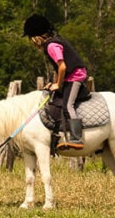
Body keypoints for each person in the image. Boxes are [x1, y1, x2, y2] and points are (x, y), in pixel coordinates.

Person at [23, 14, 89, 150]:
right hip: (70, 76)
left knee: (68, 105)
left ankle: (77, 138)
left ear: (35, 37)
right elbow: (59, 69)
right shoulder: (54, 41)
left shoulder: (51, 46)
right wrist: (53, 83)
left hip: (75, 77)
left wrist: (58, 84)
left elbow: (62, 67)